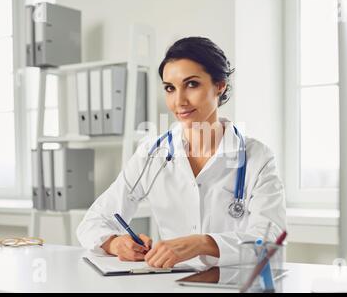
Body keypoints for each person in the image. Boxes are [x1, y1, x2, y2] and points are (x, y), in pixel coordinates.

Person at [77, 37, 286, 268]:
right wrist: (116, 243)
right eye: (170, 88)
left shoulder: (257, 157)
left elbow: (270, 241)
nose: (179, 101)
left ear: (220, 85)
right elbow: (92, 222)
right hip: (172, 285)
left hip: (234, 286)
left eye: (192, 84)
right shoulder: (152, 154)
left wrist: (202, 243)